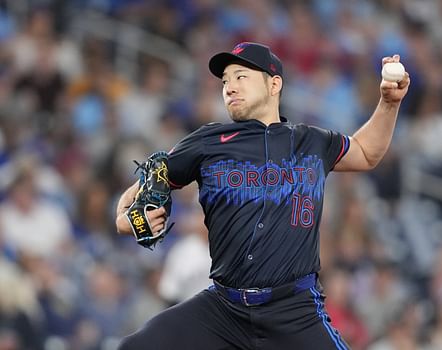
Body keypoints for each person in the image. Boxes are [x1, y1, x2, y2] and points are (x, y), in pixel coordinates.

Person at [115, 42, 410, 349]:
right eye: (225, 81)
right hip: (223, 310)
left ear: (274, 84)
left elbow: (365, 153)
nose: (229, 86)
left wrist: (388, 104)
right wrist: (130, 220)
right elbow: (138, 194)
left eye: (240, 76)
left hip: (293, 311)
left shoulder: (311, 142)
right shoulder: (208, 142)